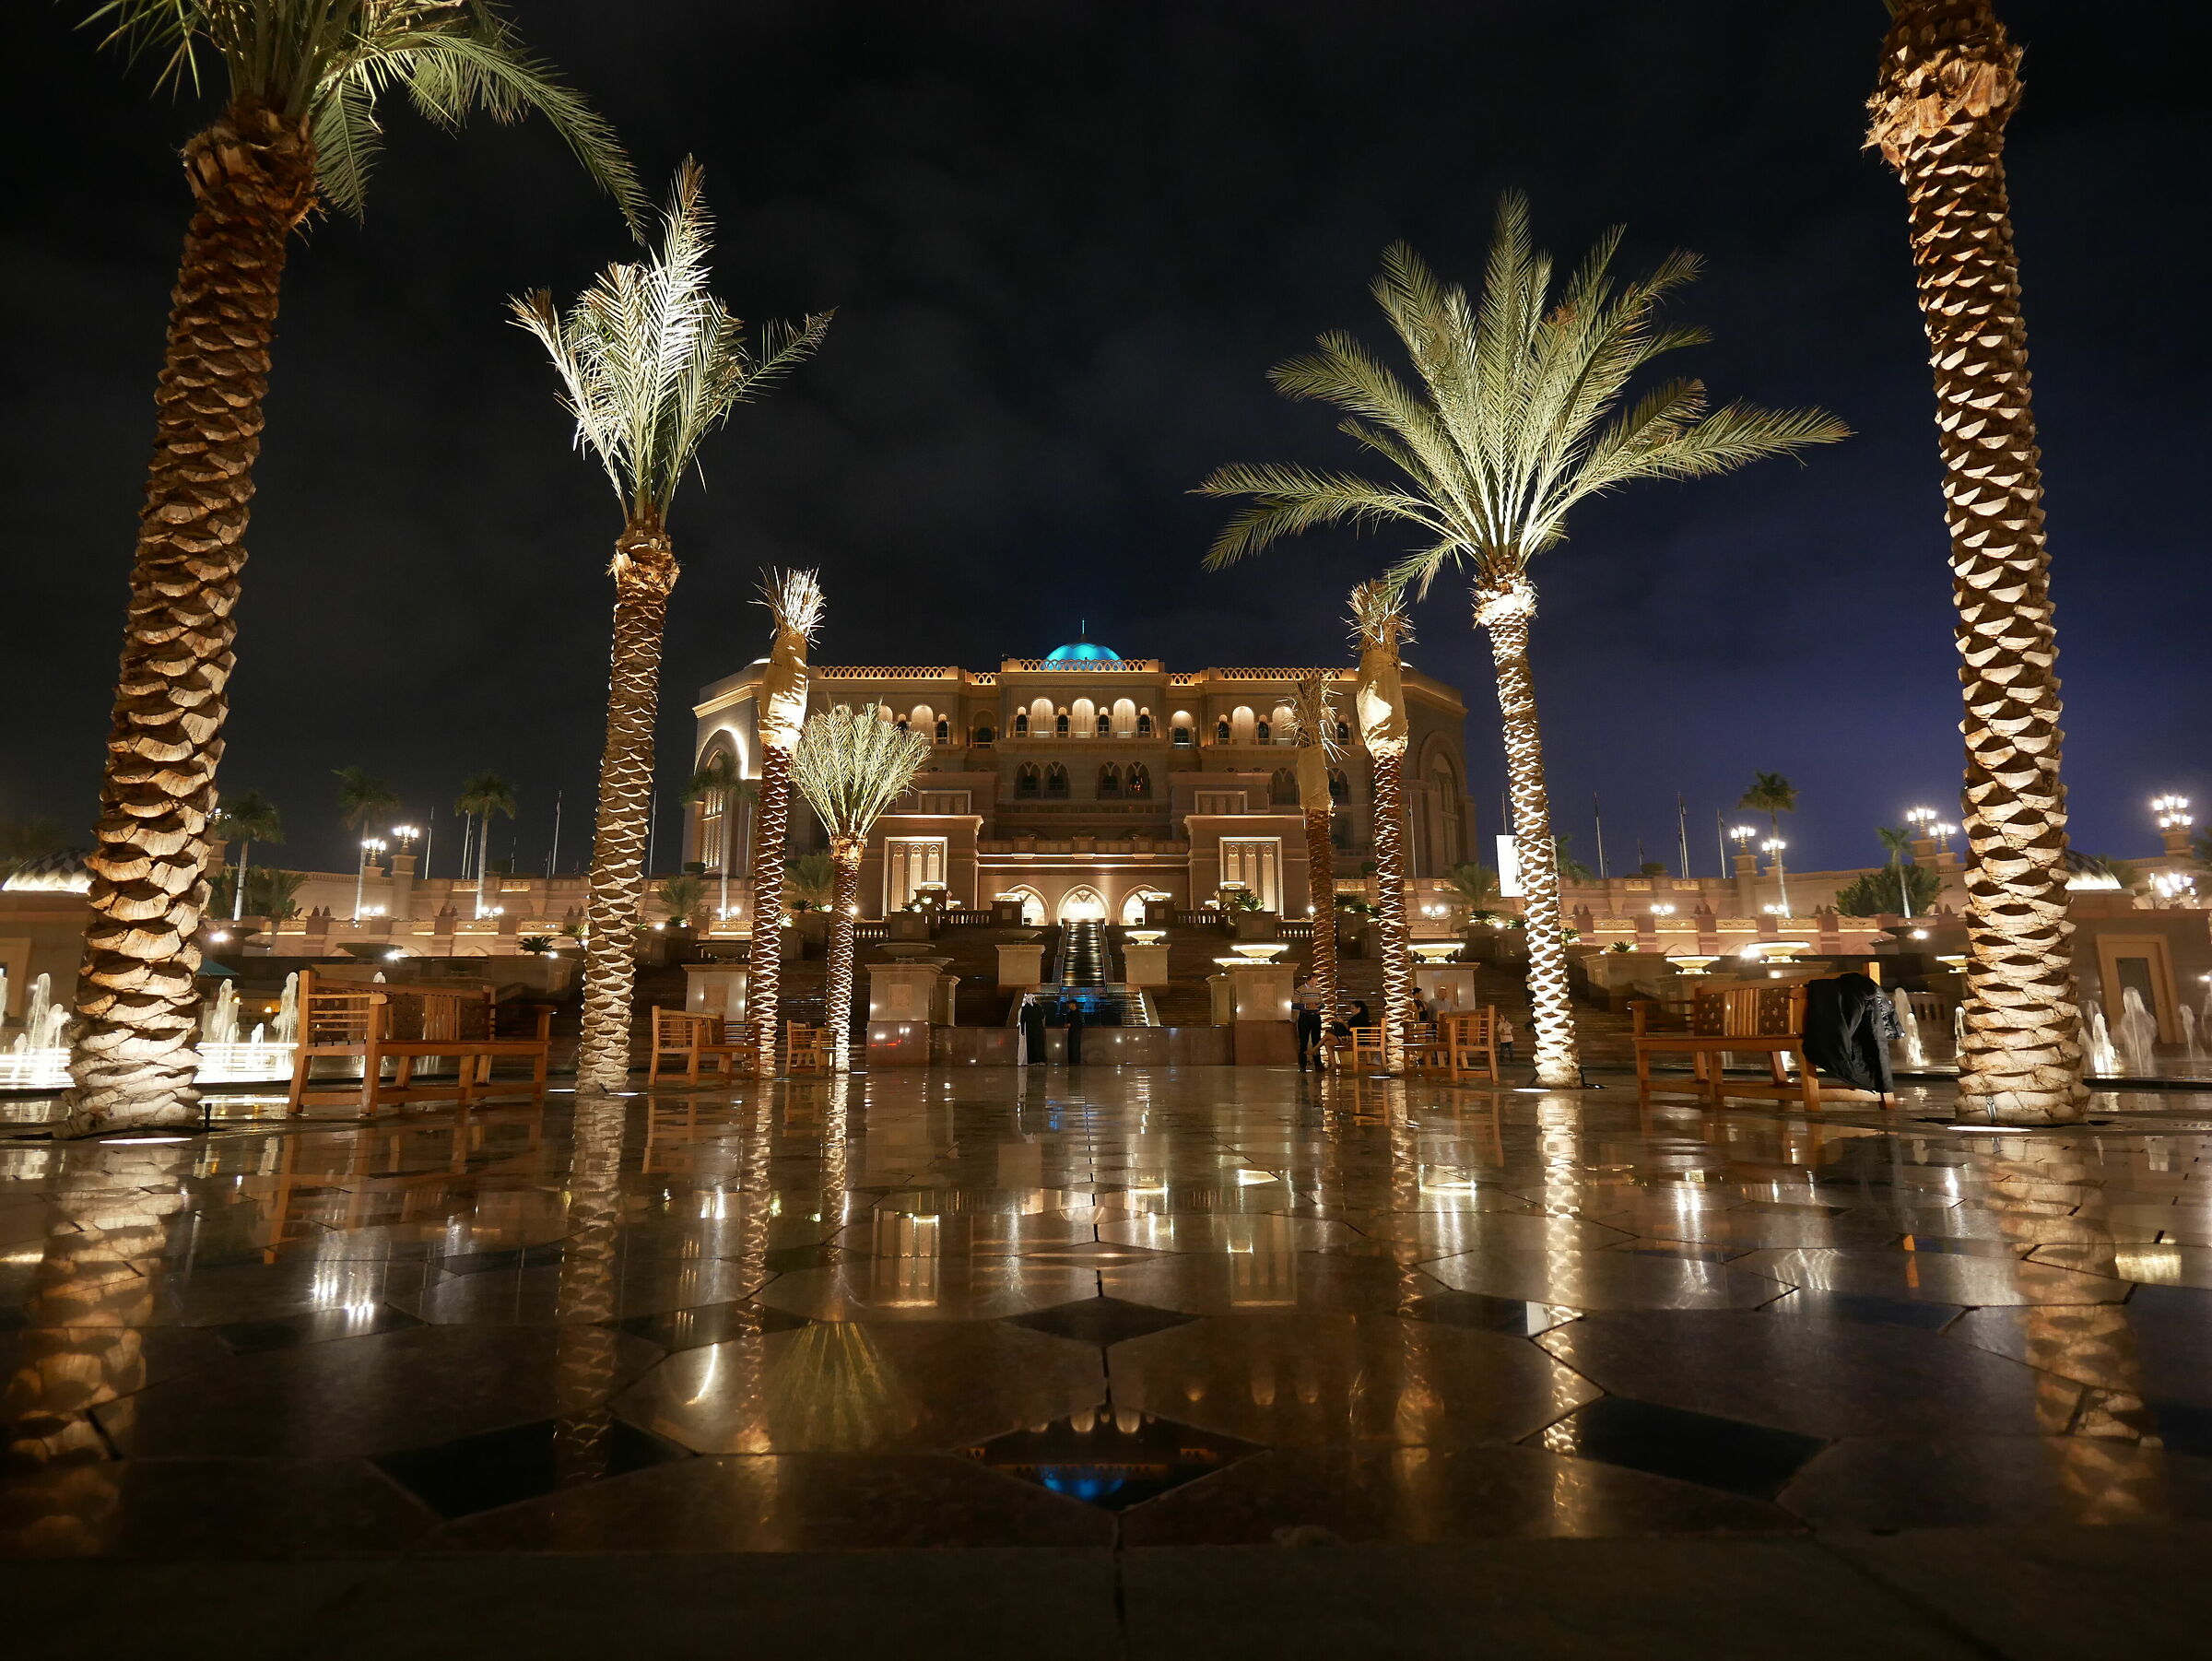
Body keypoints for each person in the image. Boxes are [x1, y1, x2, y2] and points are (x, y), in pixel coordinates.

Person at [1295, 988, 1324, 1071]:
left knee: (1317, 1040)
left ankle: (1318, 1064)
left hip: (1315, 1016)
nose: (1314, 984)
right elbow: (1293, 1005)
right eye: (1312, 982)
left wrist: (1319, 1006)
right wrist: (1306, 1006)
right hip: (1304, 1017)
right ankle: (1302, 1065)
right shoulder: (1300, 990)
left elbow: (1322, 1004)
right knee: (1303, 1041)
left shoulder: (1318, 990)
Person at [1021, 995, 1048, 1066]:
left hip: (1029, 1029)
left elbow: (1022, 1020)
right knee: (1039, 1044)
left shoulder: (1025, 1008)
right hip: (1038, 1028)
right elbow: (1042, 1016)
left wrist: (1022, 1031)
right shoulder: (1037, 1007)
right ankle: (1040, 1060)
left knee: (1030, 1044)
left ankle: (1031, 1061)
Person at [1064, 996, 1087, 1065]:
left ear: (1074, 1004)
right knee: (1070, 1046)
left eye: (1070, 1004)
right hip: (1071, 1032)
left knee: (1075, 1046)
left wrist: (1072, 1024)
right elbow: (1068, 1022)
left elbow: (1081, 1022)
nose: (1069, 1006)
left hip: (1076, 1032)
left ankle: (1076, 1061)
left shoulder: (1078, 1013)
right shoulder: (1069, 1013)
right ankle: (1071, 1061)